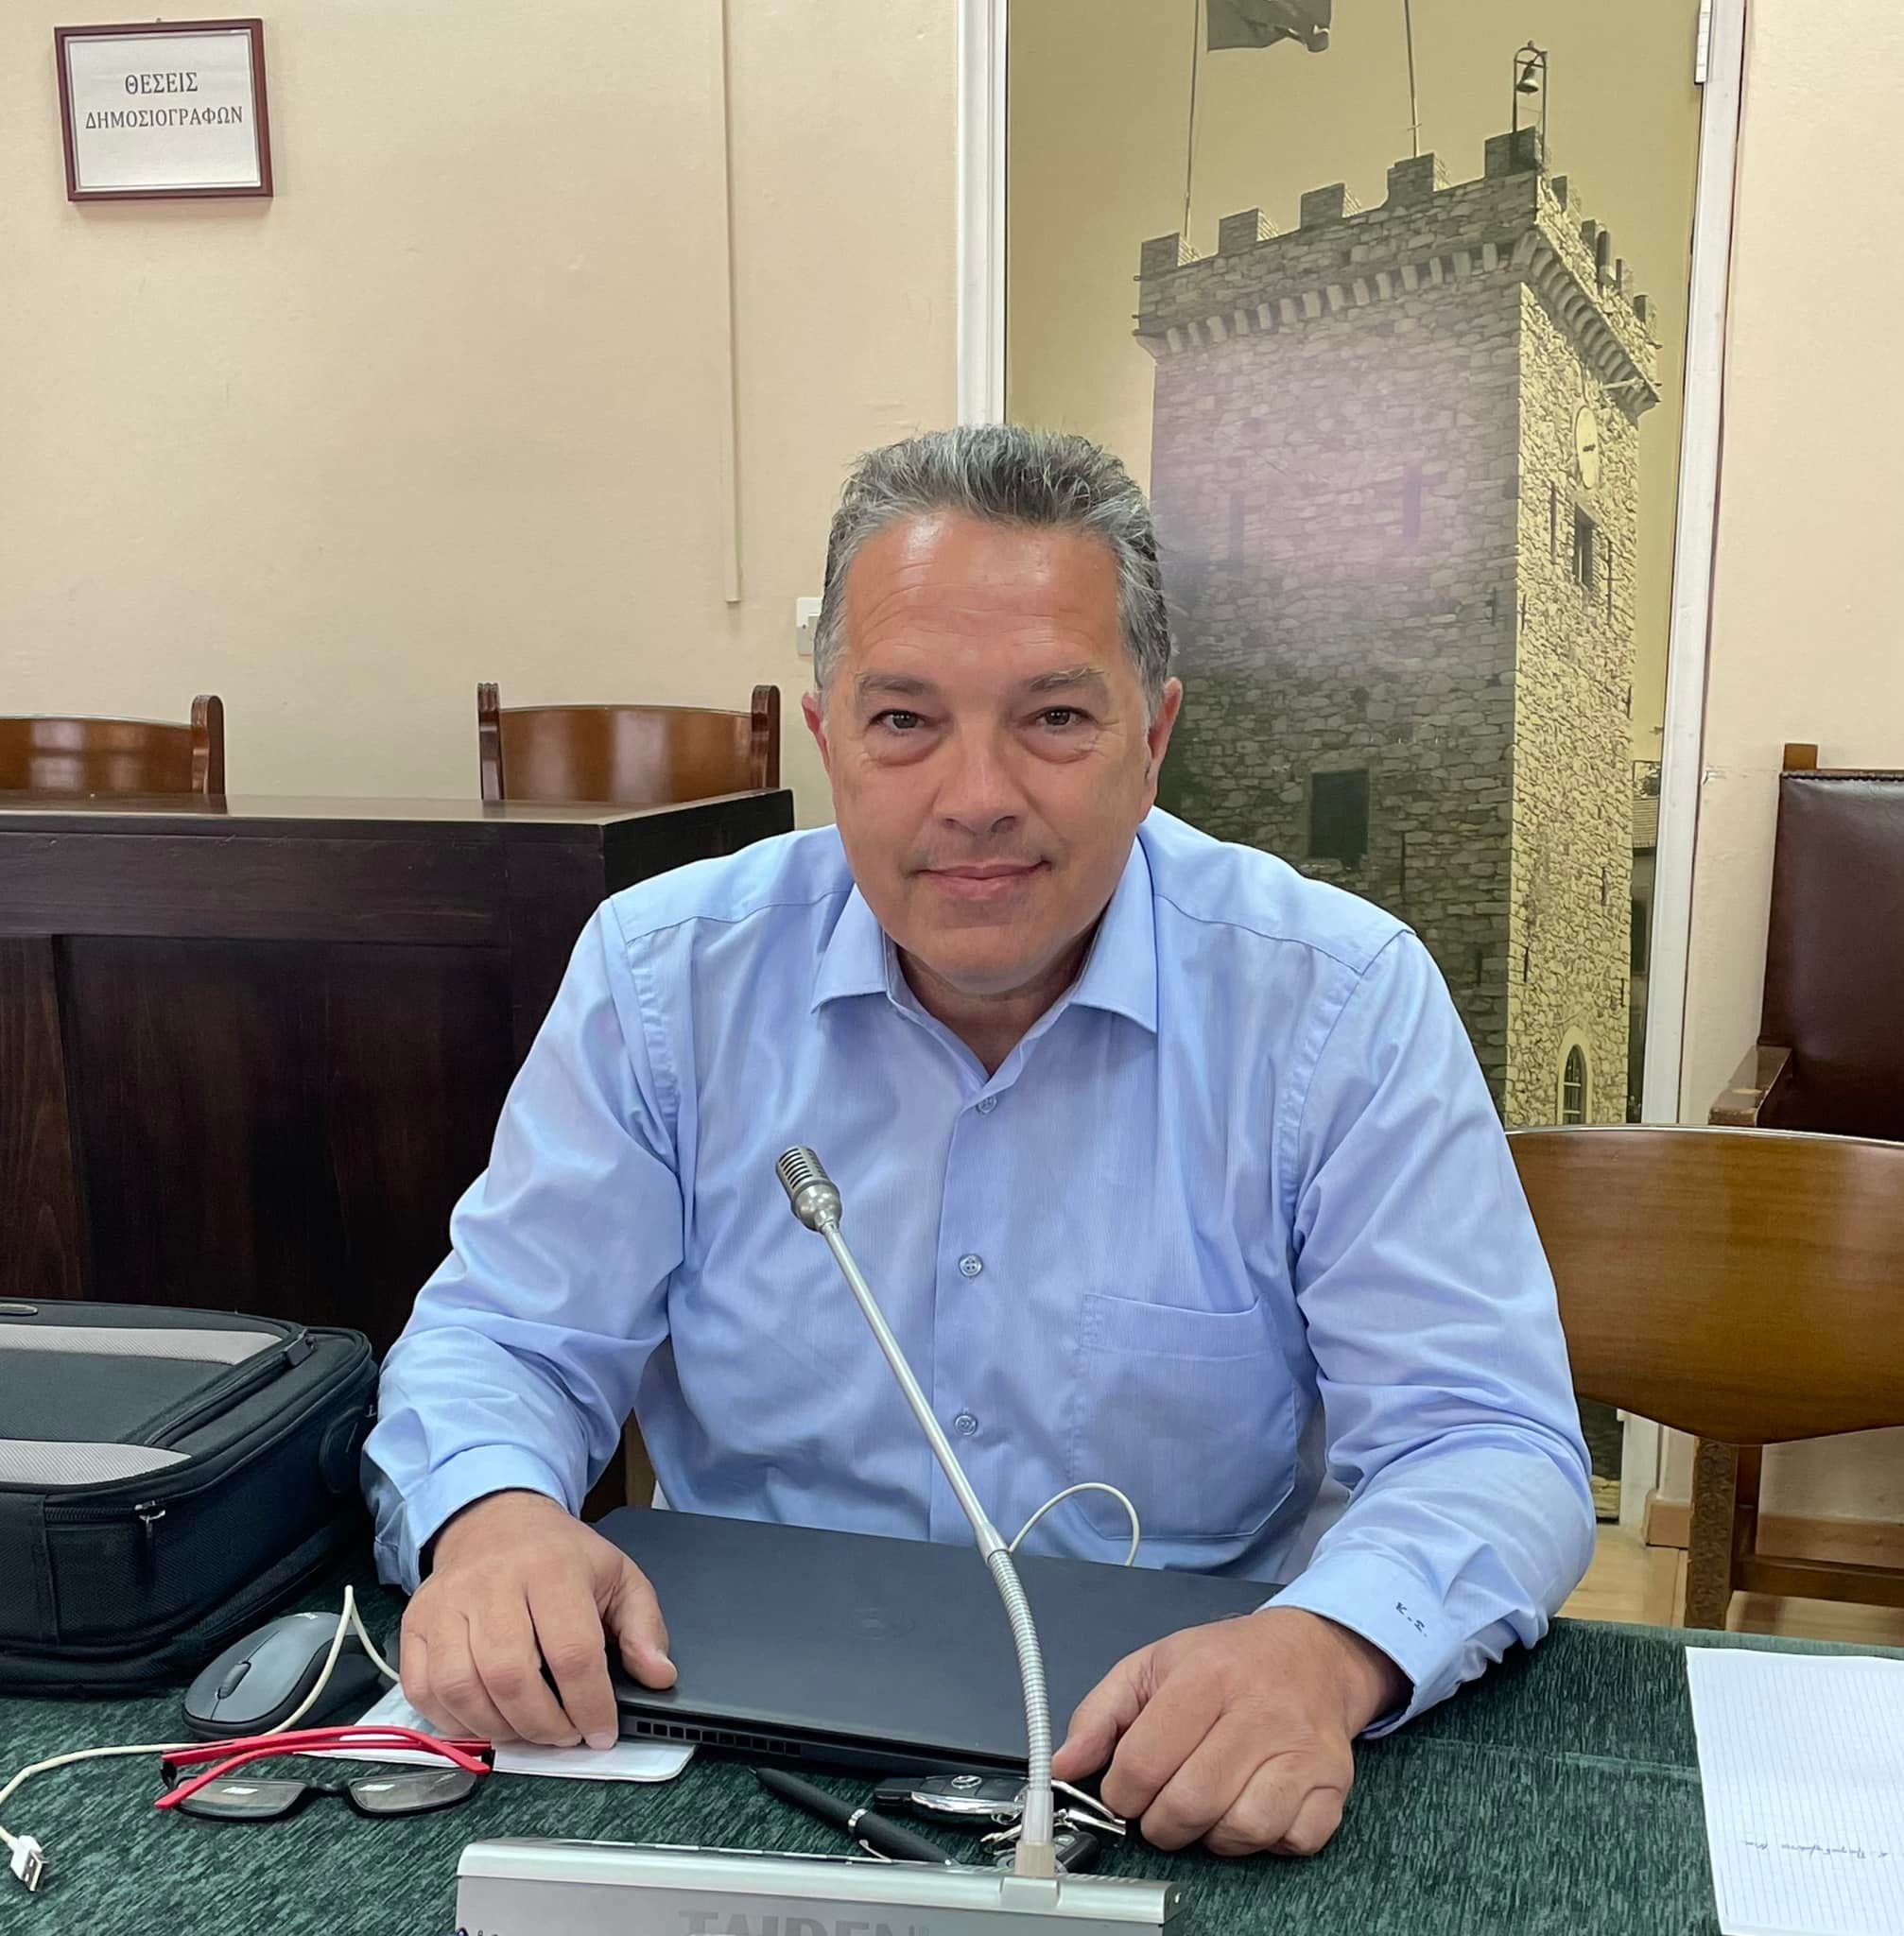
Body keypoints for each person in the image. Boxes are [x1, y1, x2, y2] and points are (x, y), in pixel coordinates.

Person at [364, 424, 1593, 1859]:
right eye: (903, 721)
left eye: (1054, 718)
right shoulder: (664, 975)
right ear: (827, 741)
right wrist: (496, 1517)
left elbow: (1486, 1439)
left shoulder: (1336, 1001)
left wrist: (1326, 1650)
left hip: (1174, 1750)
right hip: (722, 1731)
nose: (976, 797)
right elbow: (502, 1339)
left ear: (1154, 739)